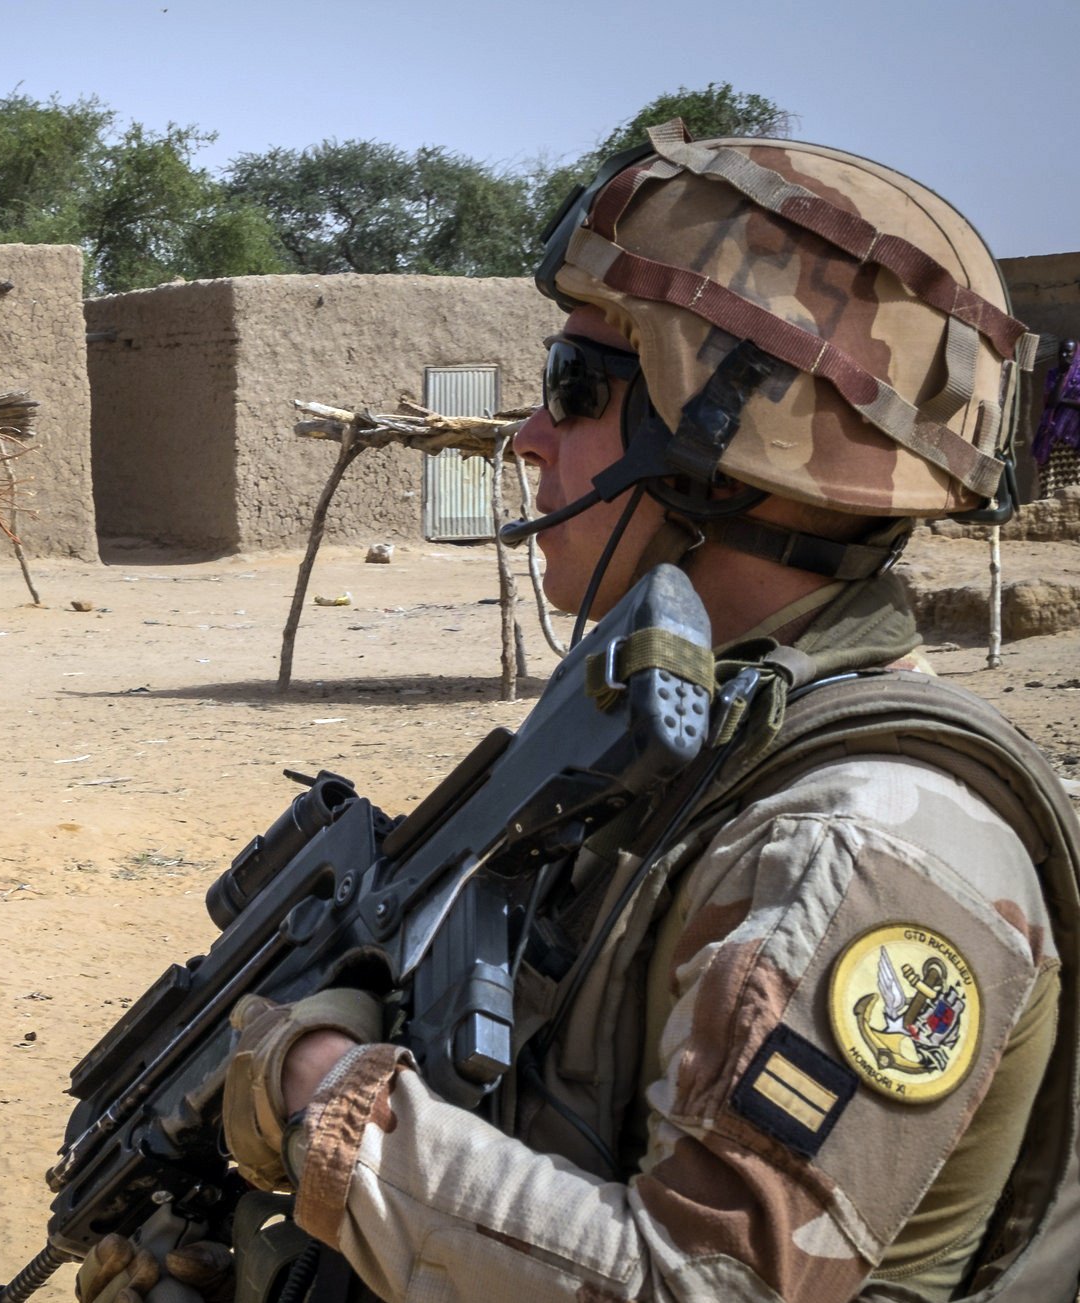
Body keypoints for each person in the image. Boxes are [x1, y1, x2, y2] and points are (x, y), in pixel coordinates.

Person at [82, 125, 1079, 1302]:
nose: (526, 436)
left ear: (726, 443)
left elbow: (689, 1285)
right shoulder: (685, 743)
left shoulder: (857, 846)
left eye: (573, 387)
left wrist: (315, 1082)